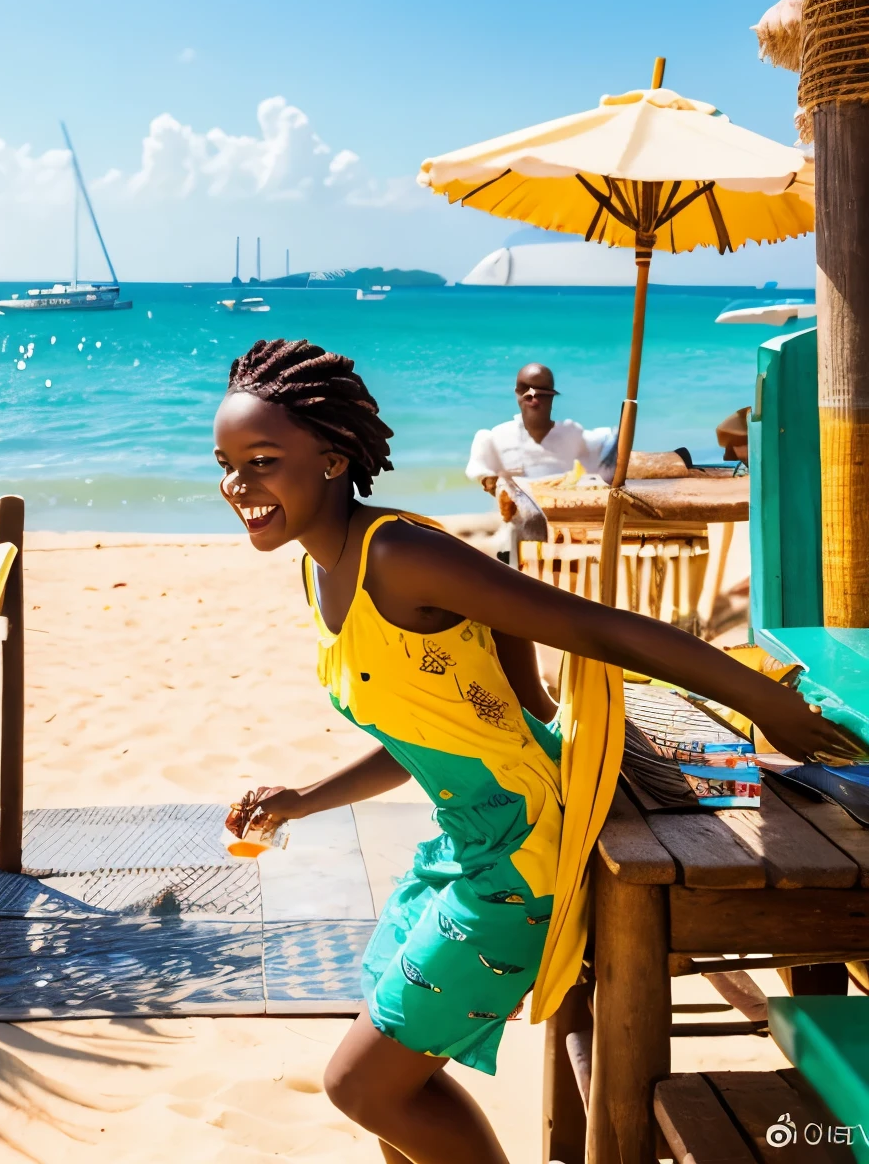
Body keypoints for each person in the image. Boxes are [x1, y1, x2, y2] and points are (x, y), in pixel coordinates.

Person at [213, 338, 858, 1164]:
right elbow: (428, 735)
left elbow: (592, 625)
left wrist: (765, 701)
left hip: (520, 861)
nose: (239, 486)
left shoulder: (400, 556)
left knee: (362, 1086)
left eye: (262, 461)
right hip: (460, 846)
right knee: (388, 1086)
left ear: (334, 459)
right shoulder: (317, 571)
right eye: (227, 464)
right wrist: (304, 798)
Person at [466, 362, 615, 563]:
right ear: (517, 393)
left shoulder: (571, 434)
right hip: (516, 531)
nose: (533, 397)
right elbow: (486, 478)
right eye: (526, 391)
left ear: (553, 396)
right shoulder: (495, 436)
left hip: (567, 530)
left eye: (542, 392)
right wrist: (500, 486)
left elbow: (607, 448)